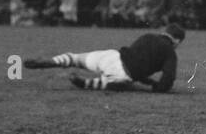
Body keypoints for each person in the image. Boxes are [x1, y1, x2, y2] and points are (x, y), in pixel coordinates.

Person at [24, 24, 184, 91]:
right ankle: (87, 83)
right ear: (176, 40)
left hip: (112, 56)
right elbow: (168, 78)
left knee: (75, 58)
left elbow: (137, 57)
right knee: (123, 84)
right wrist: (156, 87)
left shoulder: (148, 36)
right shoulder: (170, 52)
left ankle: (53, 61)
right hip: (124, 73)